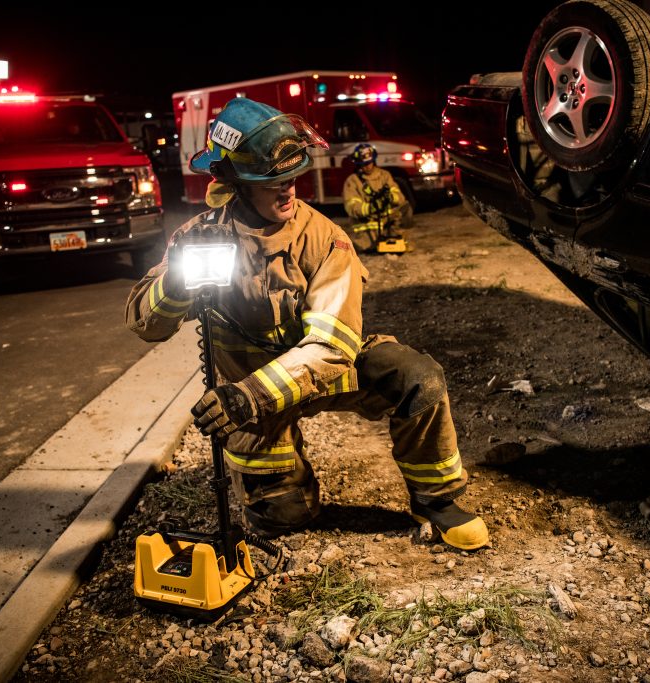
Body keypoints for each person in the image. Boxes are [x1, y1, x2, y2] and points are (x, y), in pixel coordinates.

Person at [125, 98, 488, 551]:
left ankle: (437, 500)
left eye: (291, 178)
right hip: (249, 391)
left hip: (304, 379)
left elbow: (332, 347)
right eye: (272, 181)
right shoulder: (197, 238)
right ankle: (287, 490)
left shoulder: (324, 238)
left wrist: (247, 397)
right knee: (283, 517)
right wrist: (178, 279)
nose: (288, 191)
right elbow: (145, 323)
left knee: (416, 376)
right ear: (236, 182)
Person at [342, 143, 411, 231]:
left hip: (389, 223)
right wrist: (371, 207)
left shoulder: (384, 175)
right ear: (358, 164)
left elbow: (400, 197)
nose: (368, 166)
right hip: (367, 227)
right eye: (364, 164)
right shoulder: (352, 180)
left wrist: (390, 197)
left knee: (406, 207)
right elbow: (351, 207)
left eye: (370, 162)